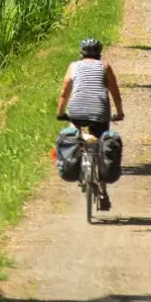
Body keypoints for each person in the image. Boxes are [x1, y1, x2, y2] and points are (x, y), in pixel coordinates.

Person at [57, 37, 125, 210]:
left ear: (81, 53)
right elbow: (115, 92)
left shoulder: (73, 66)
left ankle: (75, 160)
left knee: (74, 133)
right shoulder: (105, 67)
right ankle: (103, 192)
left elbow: (65, 91)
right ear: (99, 53)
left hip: (76, 111)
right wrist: (119, 112)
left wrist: (60, 112)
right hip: (100, 112)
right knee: (101, 143)